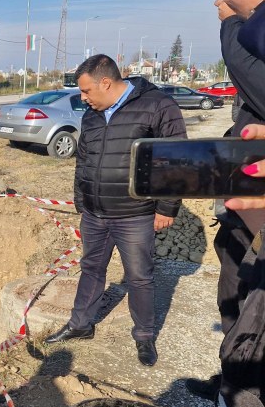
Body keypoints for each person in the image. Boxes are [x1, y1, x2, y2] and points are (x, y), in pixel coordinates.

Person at [44, 55, 186, 367]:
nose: (82, 98)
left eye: (86, 91)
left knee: (139, 277)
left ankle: (145, 337)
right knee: (92, 269)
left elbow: (176, 160)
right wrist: (82, 201)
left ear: (106, 83)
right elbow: (84, 159)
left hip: (135, 214)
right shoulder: (92, 115)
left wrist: (167, 207)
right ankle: (80, 325)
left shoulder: (157, 106)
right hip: (95, 213)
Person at [186, 0, 265, 400]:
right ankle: (229, 384)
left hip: (260, 225)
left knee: (256, 319)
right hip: (239, 221)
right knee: (231, 303)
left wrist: (235, 17)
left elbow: (243, 65)